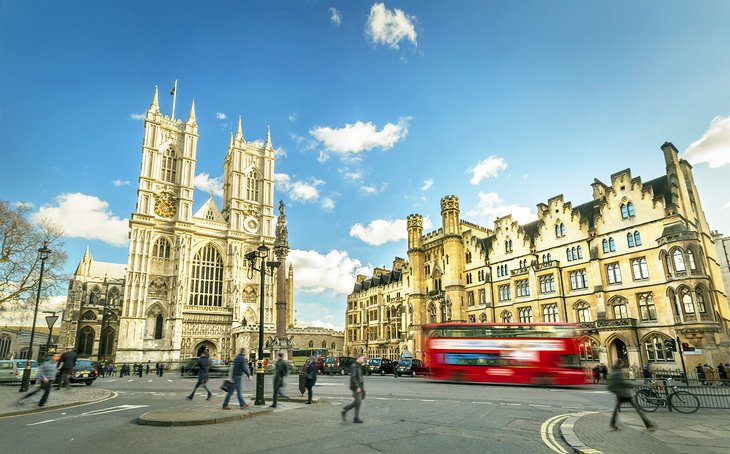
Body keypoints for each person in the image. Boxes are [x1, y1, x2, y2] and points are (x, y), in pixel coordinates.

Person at [607, 360, 654, 431]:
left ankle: (612, 424)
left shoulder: (613, 372)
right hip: (625, 394)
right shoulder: (618, 373)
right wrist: (634, 385)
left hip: (619, 394)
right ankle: (648, 424)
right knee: (638, 410)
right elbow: (623, 383)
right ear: (620, 364)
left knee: (616, 410)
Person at [341, 354, 366, 423]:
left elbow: (361, 375)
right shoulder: (354, 366)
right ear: (358, 359)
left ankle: (356, 417)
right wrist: (357, 387)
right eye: (362, 358)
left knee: (358, 402)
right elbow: (353, 377)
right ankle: (345, 410)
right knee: (357, 402)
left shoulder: (359, 366)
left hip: (360, 385)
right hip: (356, 386)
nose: (364, 360)